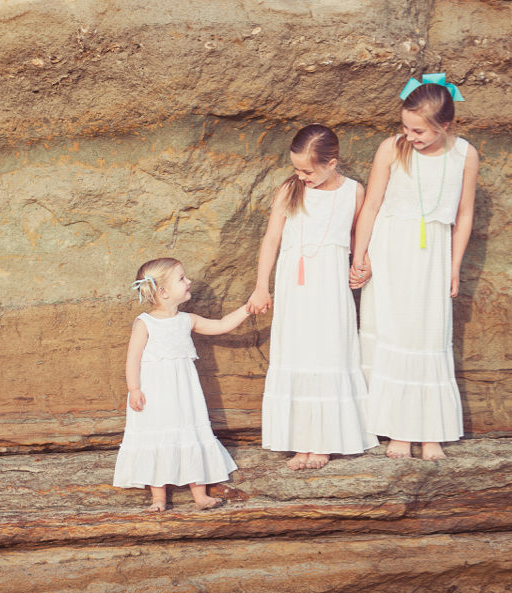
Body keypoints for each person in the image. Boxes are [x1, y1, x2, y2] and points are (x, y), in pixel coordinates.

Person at [349, 73, 479, 461]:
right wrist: (360, 255)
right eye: (405, 127)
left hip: (433, 255)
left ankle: (430, 431)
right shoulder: (392, 148)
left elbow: (464, 214)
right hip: (391, 250)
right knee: (395, 333)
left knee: (428, 336)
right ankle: (398, 431)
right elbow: (371, 205)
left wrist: (454, 267)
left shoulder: (465, 154)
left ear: (446, 125)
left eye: (419, 130)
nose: (411, 136)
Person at [248, 124, 379, 471]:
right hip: (294, 286)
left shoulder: (354, 192)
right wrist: (262, 285)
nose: (301, 175)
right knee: (298, 353)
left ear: (331, 162)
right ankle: (302, 441)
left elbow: (359, 239)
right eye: (296, 168)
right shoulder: (290, 190)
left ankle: (324, 440)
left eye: (308, 170)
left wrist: (363, 266)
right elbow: (271, 240)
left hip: (331, 287)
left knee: (328, 353)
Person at [113, 257, 251, 511]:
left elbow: (221, 326)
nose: (189, 281)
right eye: (182, 278)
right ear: (163, 292)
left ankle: (199, 494)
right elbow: (132, 359)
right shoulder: (146, 323)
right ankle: (158, 498)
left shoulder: (187, 320)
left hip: (184, 393)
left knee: (189, 431)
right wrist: (134, 389)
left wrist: (247, 308)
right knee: (157, 435)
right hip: (155, 394)